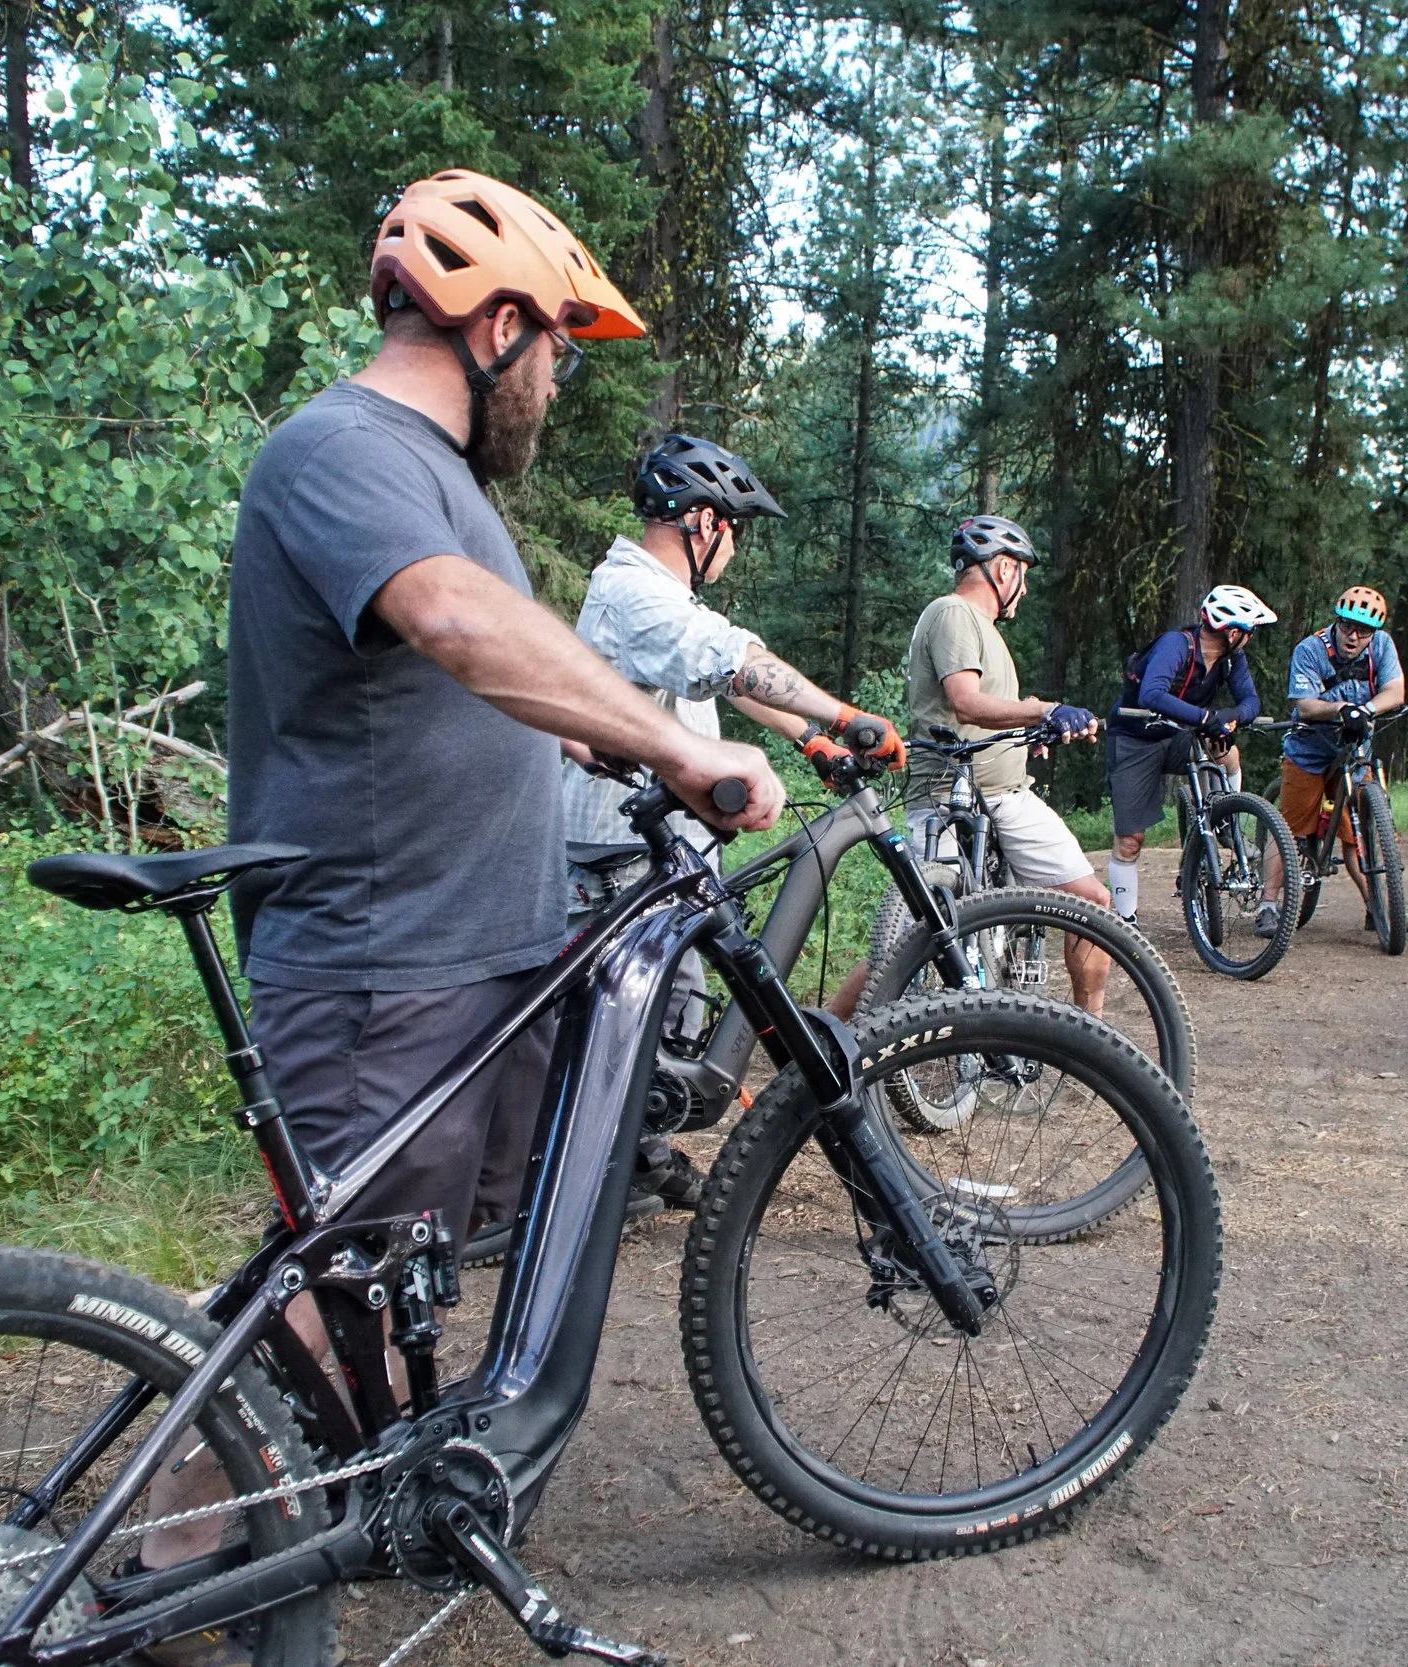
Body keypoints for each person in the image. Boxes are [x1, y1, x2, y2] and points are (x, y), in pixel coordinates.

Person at [150, 169, 783, 1616]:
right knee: (329, 1289)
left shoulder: (440, 485)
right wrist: (683, 743)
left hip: (472, 957)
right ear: (496, 327)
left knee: (393, 1274)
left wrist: (600, 734)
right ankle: (151, 1581)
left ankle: (303, 1520)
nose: (554, 382)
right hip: (387, 964)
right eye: (556, 346)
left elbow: (478, 676)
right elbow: (449, 620)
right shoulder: (342, 446)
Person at [561, 433, 904, 1210]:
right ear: (705, 522)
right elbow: (733, 659)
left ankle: (636, 1157)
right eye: (735, 530)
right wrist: (843, 714)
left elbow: (725, 677)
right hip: (623, 853)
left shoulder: (657, 595)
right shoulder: (635, 591)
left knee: (669, 1012)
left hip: (654, 846)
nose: (735, 548)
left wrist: (808, 736)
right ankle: (602, 1174)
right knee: (641, 1025)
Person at [903, 515, 1112, 1008]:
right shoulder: (954, 613)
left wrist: (1025, 735)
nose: (1026, 587)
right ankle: (829, 1030)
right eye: (1024, 572)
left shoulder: (982, 628)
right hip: (948, 799)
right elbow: (965, 703)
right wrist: (1044, 710)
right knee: (914, 935)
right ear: (1002, 569)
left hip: (1005, 795)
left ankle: (1090, 1032)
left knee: (1092, 900)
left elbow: (985, 715)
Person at [1104, 584, 1275, 924]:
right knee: (1130, 840)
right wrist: (1207, 718)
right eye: (1250, 631)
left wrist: (1230, 718)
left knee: (1227, 754)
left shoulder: (1231, 658)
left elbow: (1251, 702)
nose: (1250, 638)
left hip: (1181, 734)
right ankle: (1125, 922)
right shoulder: (1176, 645)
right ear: (1232, 632)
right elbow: (1152, 694)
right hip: (1136, 738)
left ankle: (1226, 820)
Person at [1262, 584, 1408, 933]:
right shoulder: (1311, 649)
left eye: (1363, 631)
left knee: (1360, 833)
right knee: (1288, 829)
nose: (1353, 636)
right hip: (1309, 751)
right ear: (1337, 623)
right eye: (1347, 626)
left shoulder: (1382, 646)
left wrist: (1366, 710)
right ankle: (1267, 905)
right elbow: (1305, 704)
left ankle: (1378, 908)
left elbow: (1396, 690)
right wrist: (1341, 708)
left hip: (1354, 752)